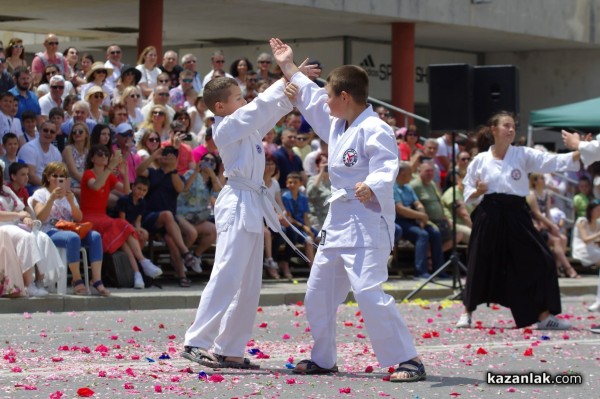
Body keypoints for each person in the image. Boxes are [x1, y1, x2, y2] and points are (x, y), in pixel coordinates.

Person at [271, 38, 426, 382]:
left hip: (369, 219)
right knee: (317, 293)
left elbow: (388, 164)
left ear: (344, 97)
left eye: (330, 96)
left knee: (369, 292)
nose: (324, 101)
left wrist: (373, 182)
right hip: (339, 219)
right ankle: (323, 358)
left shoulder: (376, 128)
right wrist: (287, 66)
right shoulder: (338, 125)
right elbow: (309, 98)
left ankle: (409, 360)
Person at [181, 73, 296, 369]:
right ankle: (197, 340)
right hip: (237, 200)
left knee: (248, 282)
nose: (244, 101)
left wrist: (287, 97)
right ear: (220, 106)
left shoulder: (244, 127)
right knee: (227, 273)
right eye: (238, 98)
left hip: (252, 201)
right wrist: (285, 80)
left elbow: (265, 116)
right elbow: (257, 111)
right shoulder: (226, 126)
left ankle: (230, 347)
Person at [456, 111, 582, 331]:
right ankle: (467, 312)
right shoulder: (480, 160)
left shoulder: (522, 154)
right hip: (490, 212)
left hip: (516, 213)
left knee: (542, 259)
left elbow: (550, 161)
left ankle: (544, 317)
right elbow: (467, 189)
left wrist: (579, 153)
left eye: (513, 126)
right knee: (479, 261)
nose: (511, 130)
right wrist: (477, 191)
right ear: (493, 130)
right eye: (506, 125)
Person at [80, 144, 162, 289]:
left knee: (123, 235)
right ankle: (143, 262)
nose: (103, 156)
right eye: (99, 154)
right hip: (88, 217)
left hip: (102, 217)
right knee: (122, 225)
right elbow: (96, 186)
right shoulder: (88, 173)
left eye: (106, 154)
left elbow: (127, 192)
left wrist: (124, 174)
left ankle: (137, 272)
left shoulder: (109, 174)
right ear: (92, 158)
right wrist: (111, 168)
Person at [31, 162, 109, 296]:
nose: (58, 179)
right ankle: (77, 280)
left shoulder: (69, 194)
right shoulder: (41, 193)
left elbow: (79, 217)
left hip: (70, 229)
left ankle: (96, 279)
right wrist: (51, 199)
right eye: (55, 176)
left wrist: (71, 201)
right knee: (72, 238)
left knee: (95, 236)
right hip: (49, 231)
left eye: (62, 176)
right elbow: (40, 218)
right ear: (48, 177)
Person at [0, 161, 63, 297]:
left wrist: (26, 218)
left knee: (41, 237)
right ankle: (29, 284)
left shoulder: (6, 190)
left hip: (13, 224)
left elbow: (23, 209)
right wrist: (18, 215)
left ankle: (41, 281)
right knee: (26, 237)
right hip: (2, 226)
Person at [526, 172, 578, 278]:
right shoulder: (531, 195)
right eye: (541, 178)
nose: (544, 180)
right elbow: (537, 214)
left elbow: (548, 213)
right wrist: (552, 225)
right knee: (557, 241)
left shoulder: (546, 194)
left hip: (544, 225)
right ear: (534, 181)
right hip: (534, 226)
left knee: (563, 238)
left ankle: (557, 268)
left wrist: (552, 226)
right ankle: (568, 269)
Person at [177, 153, 220, 271]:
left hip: (198, 218)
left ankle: (196, 256)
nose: (208, 163)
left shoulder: (213, 180)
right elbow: (184, 188)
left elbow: (219, 194)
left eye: (212, 161)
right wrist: (196, 171)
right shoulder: (191, 173)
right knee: (192, 233)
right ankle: (180, 258)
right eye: (206, 160)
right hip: (182, 215)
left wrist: (212, 176)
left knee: (214, 231)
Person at [18, 120, 62, 193]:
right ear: (39, 131)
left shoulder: (56, 152)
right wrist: (50, 187)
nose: (48, 133)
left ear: (55, 135)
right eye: (45, 130)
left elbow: (59, 174)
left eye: (52, 132)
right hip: (31, 186)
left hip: (50, 186)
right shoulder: (29, 148)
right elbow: (30, 176)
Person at [115, 176, 150, 250]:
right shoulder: (124, 200)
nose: (141, 192)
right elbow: (122, 220)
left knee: (145, 234)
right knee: (132, 234)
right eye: (139, 188)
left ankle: (138, 254)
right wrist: (134, 229)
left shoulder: (143, 203)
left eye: (144, 190)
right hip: (120, 226)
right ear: (133, 187)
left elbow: (138, 221)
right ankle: (135, 256)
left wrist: (138, 229)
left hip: (131, 226)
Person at [62, 122, 90, 198]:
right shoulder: (68, 149)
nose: (77, 133)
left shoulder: (88, 151)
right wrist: (91, 184)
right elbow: (74, 173)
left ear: (86, 135)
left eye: (80, 131)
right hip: (71, 185)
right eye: (74, 132)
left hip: (85, 184)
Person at [306, 153, 331, 232]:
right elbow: (310, 194)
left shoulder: (334, 181)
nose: (326, 165)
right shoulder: (313, 180)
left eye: (328, 163)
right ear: (317, 166)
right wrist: (321, 173)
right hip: (317, 220)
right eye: (323, 163)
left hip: (331, 219)